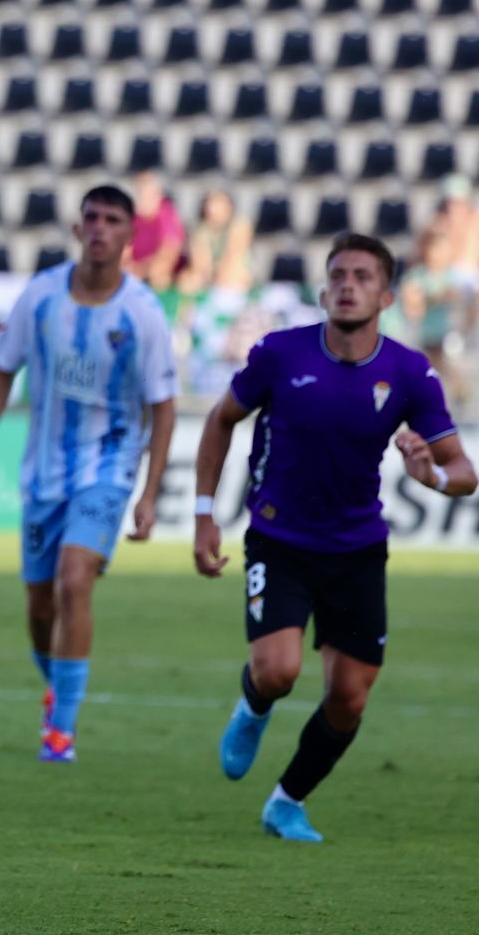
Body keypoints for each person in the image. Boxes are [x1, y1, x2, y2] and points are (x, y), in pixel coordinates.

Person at [194, 232, 474, 843]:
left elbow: (465, 474)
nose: (348, 285)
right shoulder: (279, 354)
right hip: (280, 538)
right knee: (278, 672)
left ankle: (286, 802)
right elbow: (221, 421)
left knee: (349, 699)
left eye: (363, 276)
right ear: (323, 290)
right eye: (338, 275)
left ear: (386, 294)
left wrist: (430, 474)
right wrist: (202, 514)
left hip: (356, 551)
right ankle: (254, 706)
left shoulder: (408, 372)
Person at [0, 184, 178, 762]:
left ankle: (60, 730)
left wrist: (150, 491)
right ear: (77, 228)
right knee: (40, 608)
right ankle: (55, 690)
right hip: (43, 471)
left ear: (130, 236)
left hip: (108, 464)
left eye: (113, 220)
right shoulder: (39, 297)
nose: (101, 228)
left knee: (74, 579)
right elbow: (2, 371)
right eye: (92, 218)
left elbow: (163, 406)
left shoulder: (142, 313)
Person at [396, 226, 472, 409]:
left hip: (443, 333)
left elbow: (459, 296)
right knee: (425, 368)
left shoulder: (451, 275)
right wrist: (434, 299)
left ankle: (458, 395)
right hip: (422, 333)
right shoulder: (418, 276)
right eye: (435, 249)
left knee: (441, 365)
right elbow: (412, 304)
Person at [178, 187, 252, 298]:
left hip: (232, 270)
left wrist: (219, 276)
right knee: (186, 280)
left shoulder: (240, 225)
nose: (212, 207)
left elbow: (234, 255)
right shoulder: (200, 230)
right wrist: (207, 276)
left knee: (233, 274)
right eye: (211, 202)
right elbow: (200, 263)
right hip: (211, 274)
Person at [126, 170, 185, 292]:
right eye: (141, 194)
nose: (144, 199)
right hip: (136, 271)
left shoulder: (167, 216)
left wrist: (141, 271)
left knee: (159, 276)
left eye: (149, 195)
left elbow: (168, 253)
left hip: (157, 274)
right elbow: (124, 250)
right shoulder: (131, 217)